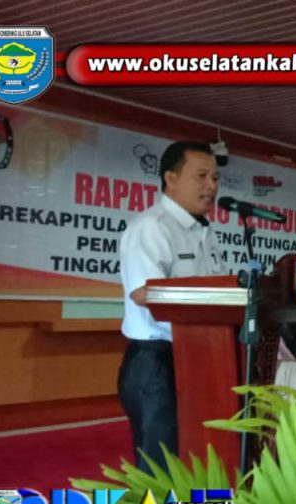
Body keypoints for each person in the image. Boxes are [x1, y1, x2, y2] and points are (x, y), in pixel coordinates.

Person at [118, 141, 225, 472]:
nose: (211, 186)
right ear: (171, 178)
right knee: (160, 466)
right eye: (201, 176)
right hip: (157, 363)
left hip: (201, 359)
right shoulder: (152, 226)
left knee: (192, 458)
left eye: (215, 178)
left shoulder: (205, 233)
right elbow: (144, 294)